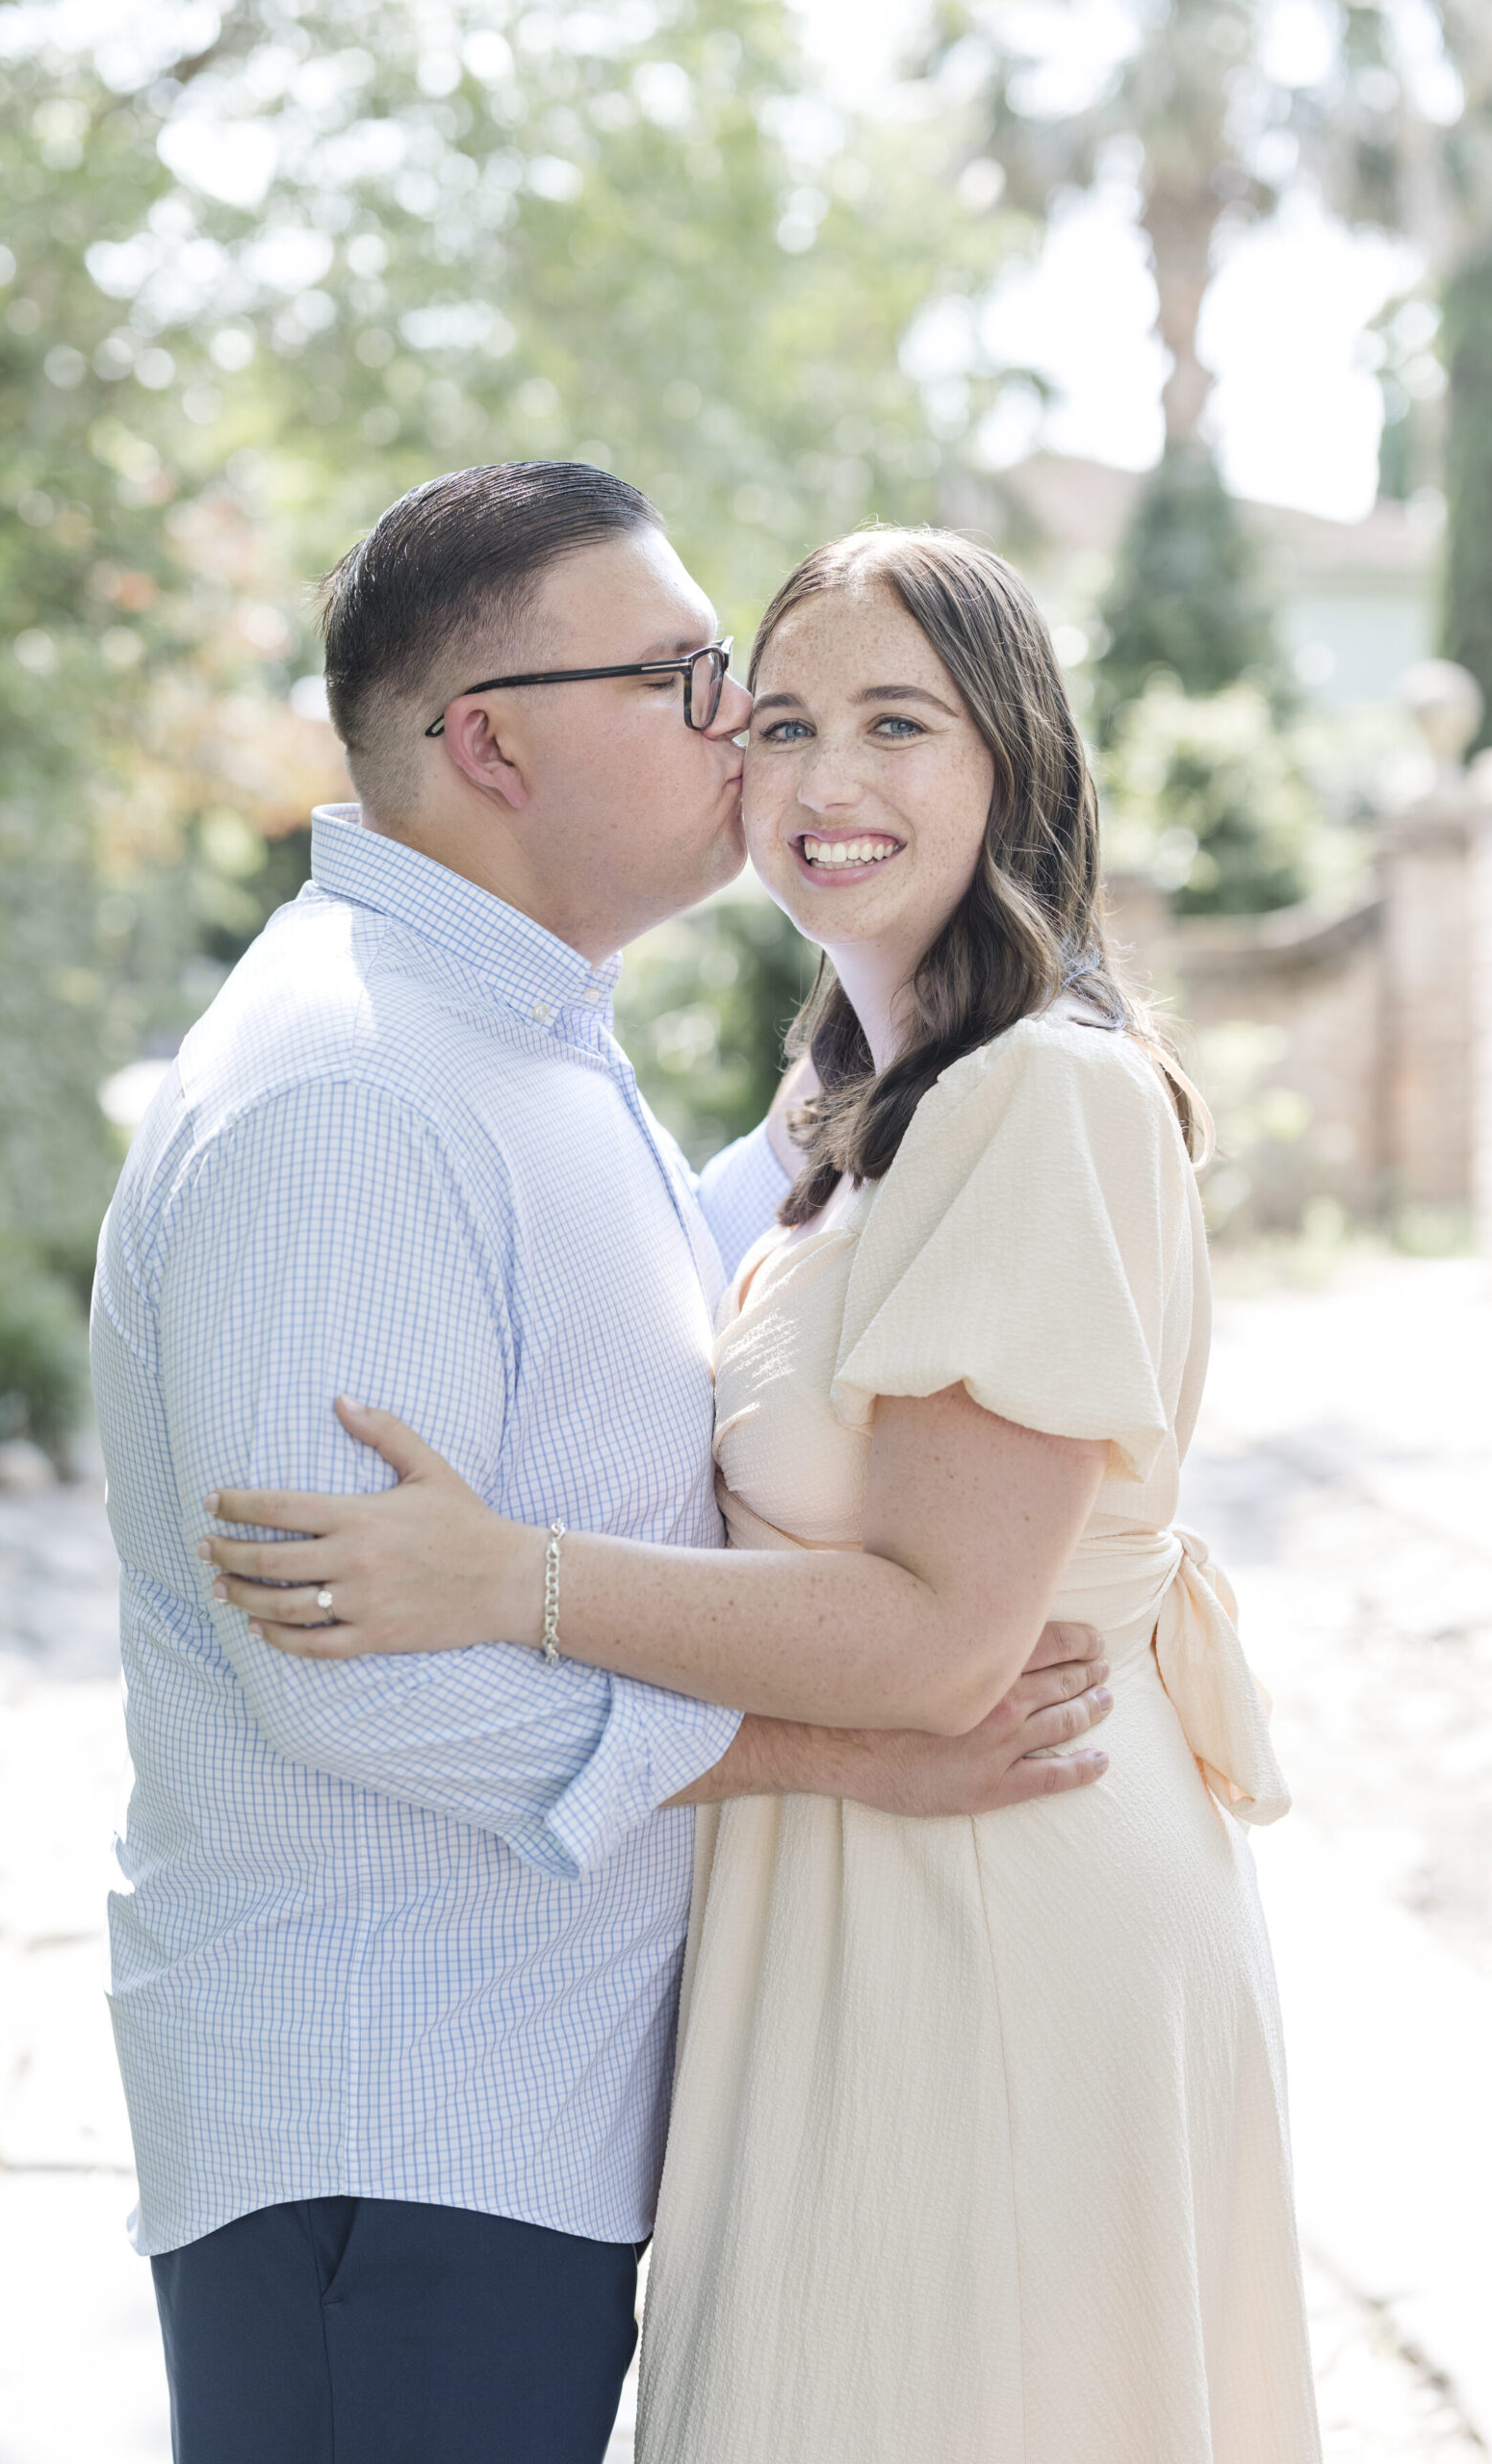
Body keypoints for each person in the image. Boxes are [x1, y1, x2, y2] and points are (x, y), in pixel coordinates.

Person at [204, 526, 1323, 2461]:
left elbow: (944, 1633)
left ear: (1015, 763)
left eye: (901, 722)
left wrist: (509, 1573)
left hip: (995, 1895)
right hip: (852, 1893)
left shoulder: (1039, 1097)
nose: (825, 780)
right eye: (781, 719)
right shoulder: (853, 1128)